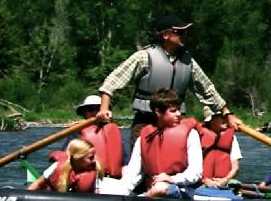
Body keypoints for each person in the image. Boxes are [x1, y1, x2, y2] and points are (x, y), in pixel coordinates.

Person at [93, 19, 227, 137]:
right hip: (146, 121)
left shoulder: (188, 62)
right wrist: (104, 108)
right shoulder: (144, 57)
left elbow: (207, 89)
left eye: (185, 32)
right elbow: (112, 82)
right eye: (179, 32)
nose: (184, 36)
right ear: (165, 35)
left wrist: (227, 114)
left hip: (174, 122)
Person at [132, 89, 204, 198]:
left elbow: (195, 172)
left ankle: (145, 200)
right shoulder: (144, 138)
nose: (179, 114)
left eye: (179, 110)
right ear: (158, 112)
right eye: (173, 111)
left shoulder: (191, 134)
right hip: (153, 190)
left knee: (160, 188)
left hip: (182, 190)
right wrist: (119, 195)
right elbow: (132, 175)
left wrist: (172, 179)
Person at [74, 94, 124, 179]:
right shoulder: (76, 132)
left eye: (98, 109)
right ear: (84, 113)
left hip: (110, 180)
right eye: (90, 109)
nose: (94, 113)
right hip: (84, 178)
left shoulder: (112, 132)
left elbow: (124, 160)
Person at [29, 137, 100, 193]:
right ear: (77, 158)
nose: (94, 160)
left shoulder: (94, 172)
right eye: (91, 158)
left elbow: (96, 193)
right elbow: (37, 184)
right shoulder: (57, 166)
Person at [196, 105, 242, 188]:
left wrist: (225, 179)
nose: (226, 119)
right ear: (211, 120)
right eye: (222, 116)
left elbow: (235, 168)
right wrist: (204, 180)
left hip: (225, 181)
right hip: (202, 181)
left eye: (226, 117)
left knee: (235, 183)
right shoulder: (198, 136)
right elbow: (191, 165)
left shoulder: (232, 138)